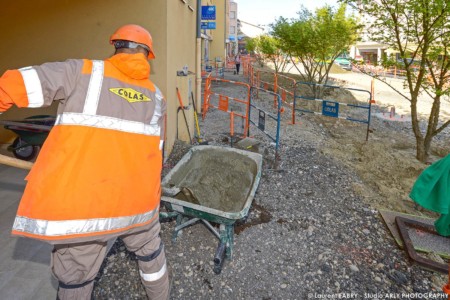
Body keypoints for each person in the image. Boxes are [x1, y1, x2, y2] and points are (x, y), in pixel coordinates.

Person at [0, 24, 169, 299]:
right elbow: (155, 154)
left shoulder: (82, 72)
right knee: (152, 256)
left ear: (116, 47)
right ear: (147, 54)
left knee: (76, 279)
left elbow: (13, 85)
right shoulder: (157, 96)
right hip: (138, 205)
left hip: (87, 210)